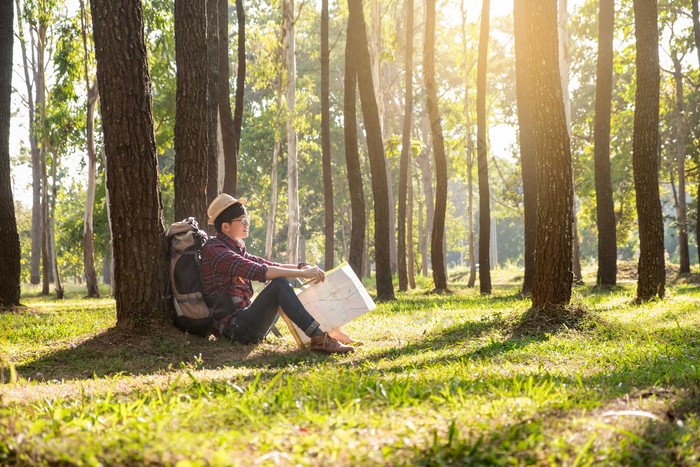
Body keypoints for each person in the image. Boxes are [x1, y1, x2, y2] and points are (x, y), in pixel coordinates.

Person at [201, 193, 358, 354]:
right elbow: (262, 271)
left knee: (292, 279)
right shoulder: (216, 250)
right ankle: (318, 338)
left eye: (247, 218)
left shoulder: (234, 248)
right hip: (234, 329)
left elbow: (269, 264)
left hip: (245, 322)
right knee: (280, 284)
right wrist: (305, 273)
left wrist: (300, 268)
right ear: (226, 226)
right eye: (242, 220)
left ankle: (329, 331)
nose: (247, 223)